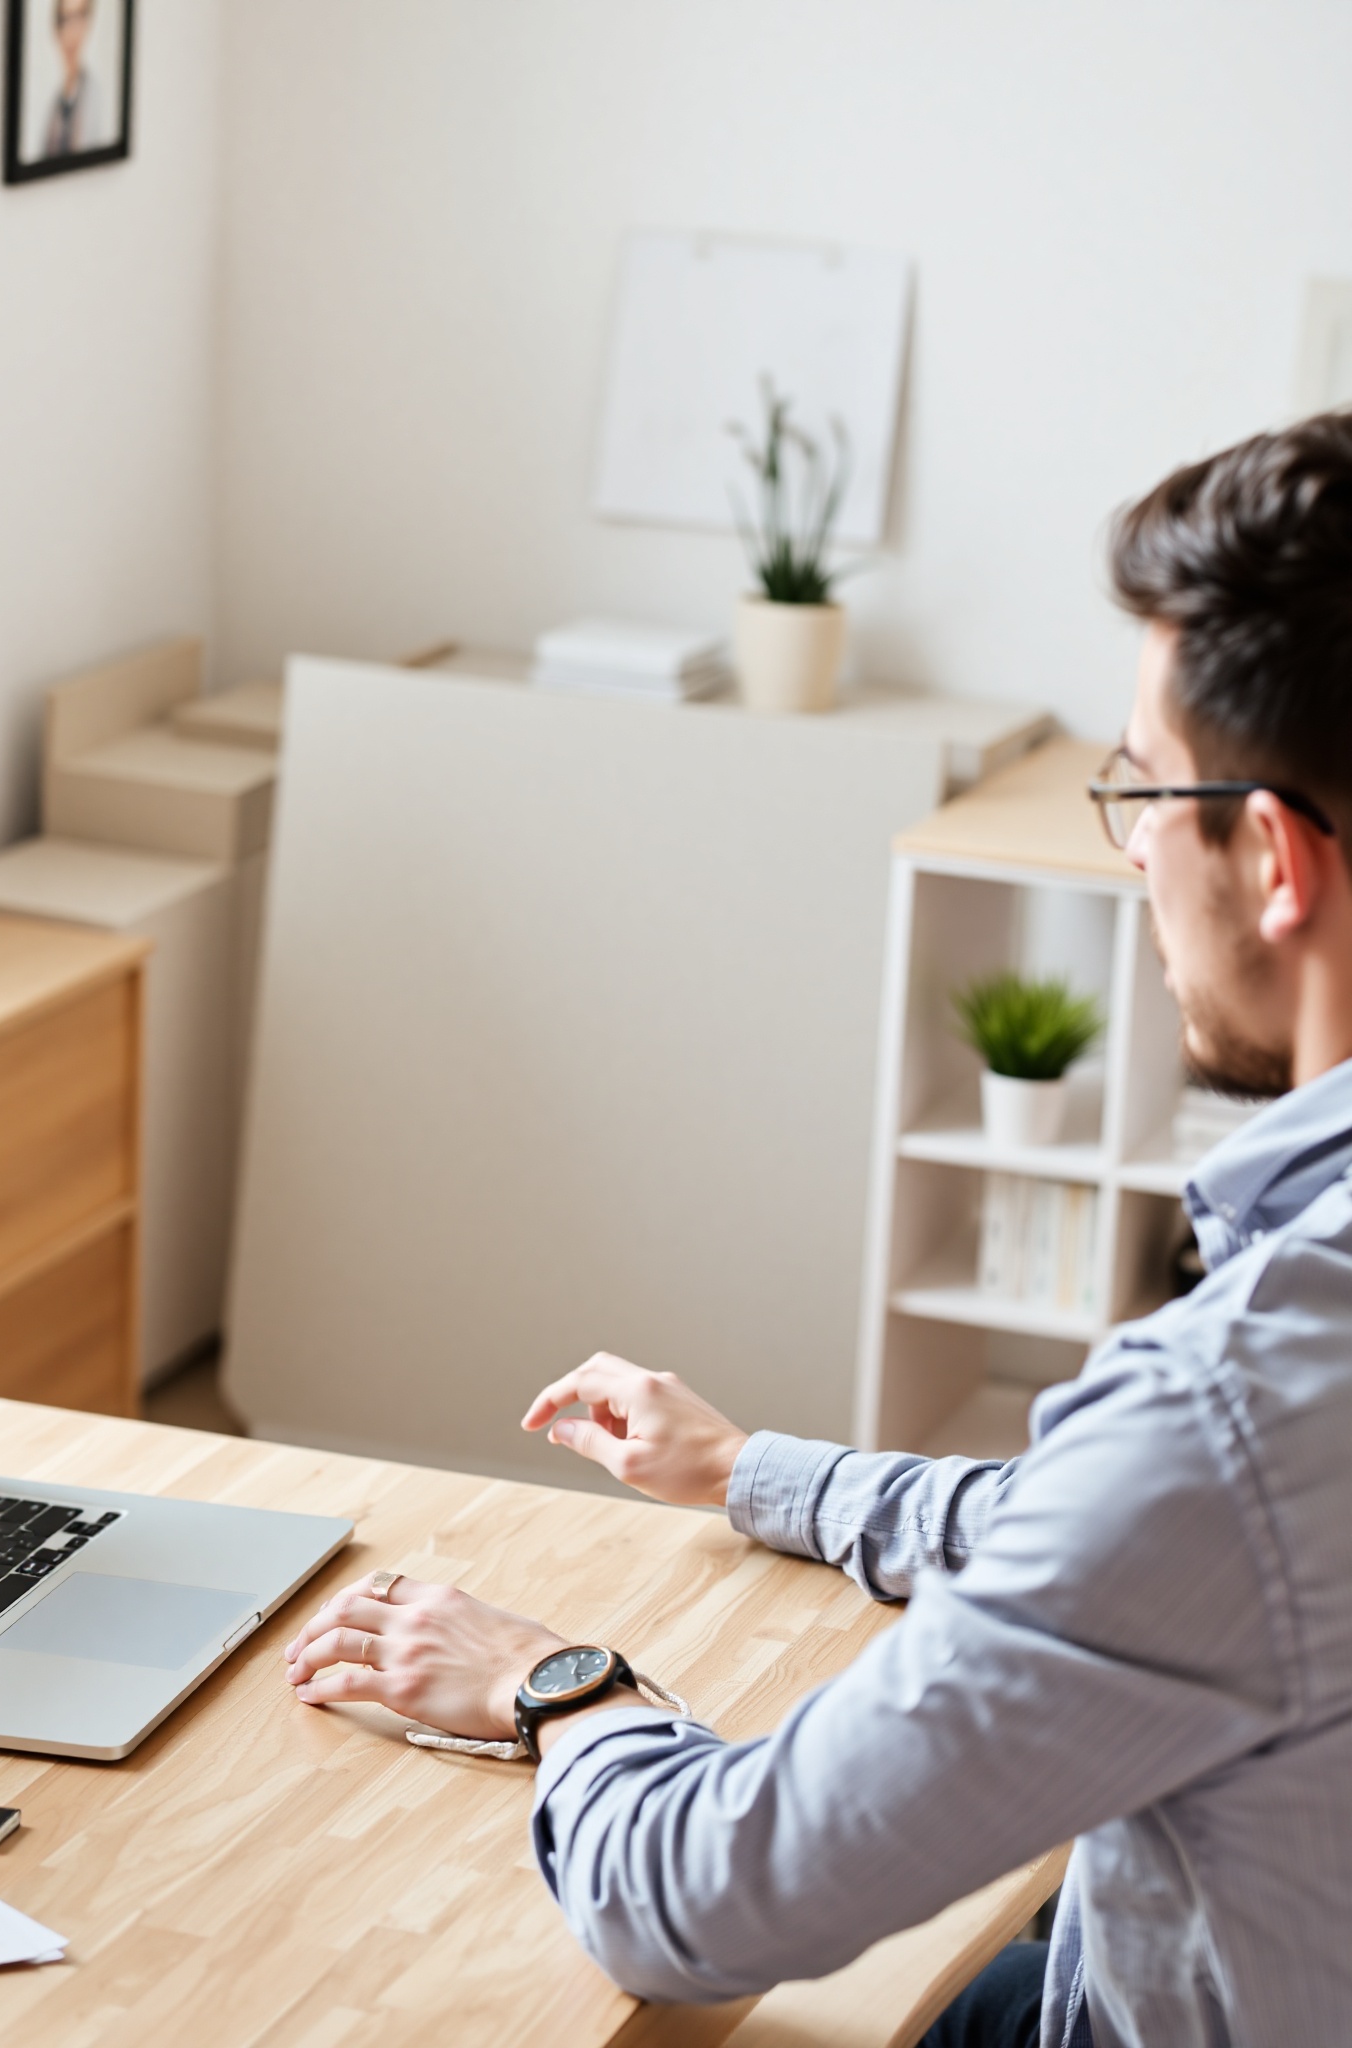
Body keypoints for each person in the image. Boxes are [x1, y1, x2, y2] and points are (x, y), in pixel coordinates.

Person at [285, 411, 1352, 2046]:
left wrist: (557, 1682)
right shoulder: (1242, 1454)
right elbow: (1173, 1552)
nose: (1131, 834)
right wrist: (751, 1472)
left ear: (1270, 855)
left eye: (1144, 782)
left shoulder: (1246, 1403)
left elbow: (696, 1905)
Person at [37, 0, 99, 159]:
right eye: (65, 20)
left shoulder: (97, 96)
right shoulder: (53, 105)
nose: (71, 31)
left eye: (78, 17)